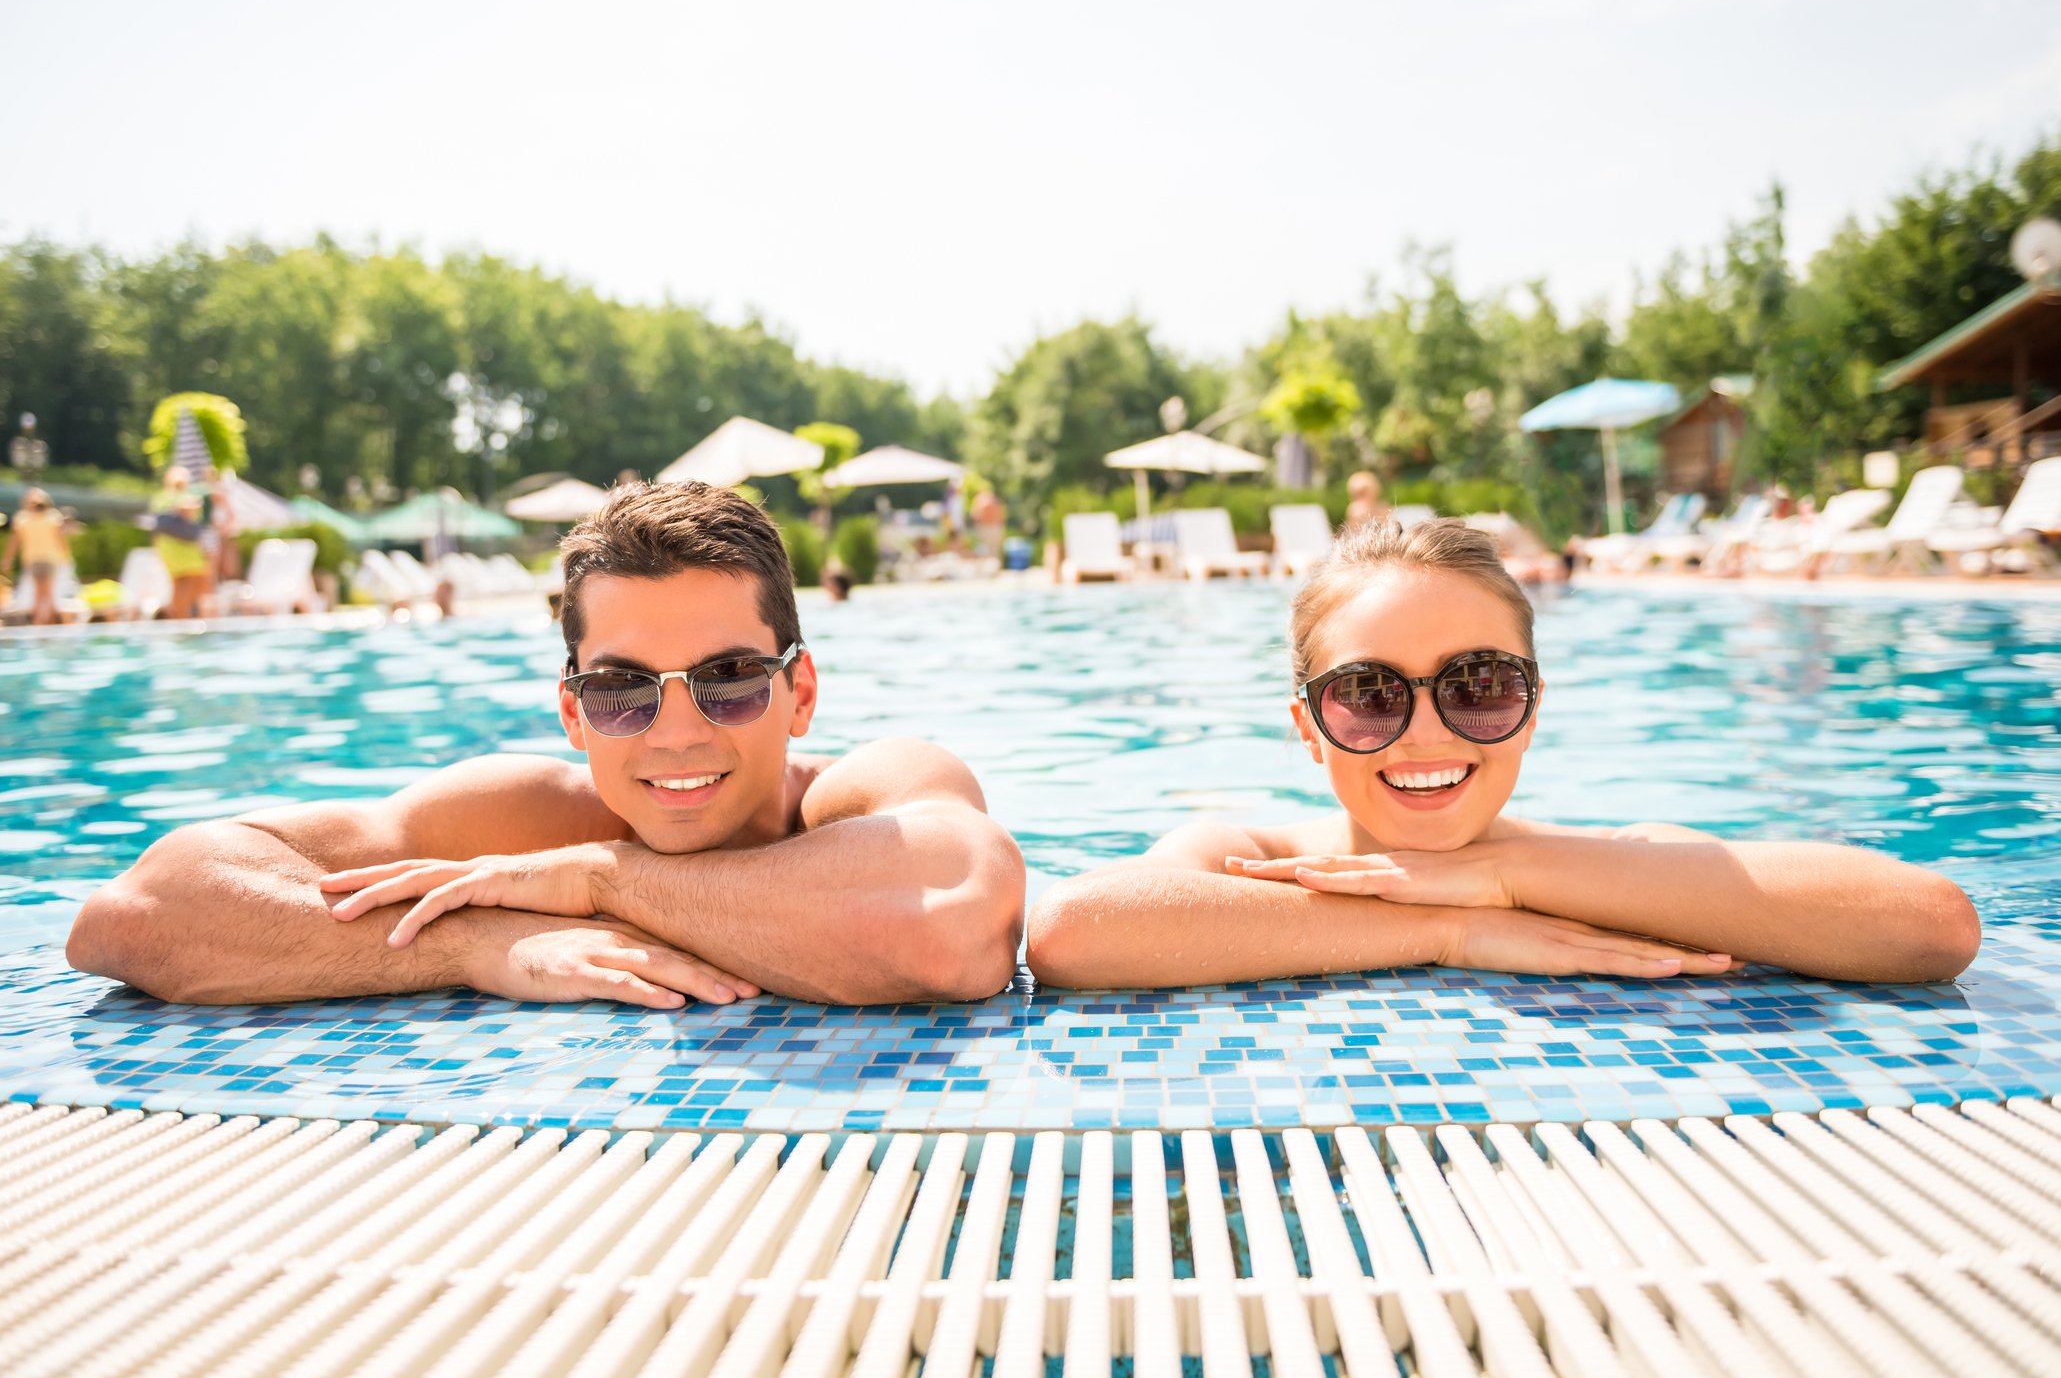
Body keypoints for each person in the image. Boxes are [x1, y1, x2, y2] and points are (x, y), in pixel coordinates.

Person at [69, 480, 1025, 1008]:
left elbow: (955, 928)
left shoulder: (866, 790)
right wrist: (484, 943)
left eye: (729, 678)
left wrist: (605, 881)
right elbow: (137, 912)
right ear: (572, 714)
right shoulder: (529, 814)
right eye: (621, 692)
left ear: (799, 690)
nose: (676, 730)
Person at [1028, 517, 1979, 989]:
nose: (1428, 732)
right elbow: (1072, 933)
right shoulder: (1245, 860)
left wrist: (1509, 874)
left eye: (1476, 684)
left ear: (1529, 708)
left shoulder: (1594, 867)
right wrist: (1446, 930)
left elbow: (1929, 926)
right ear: (1307, 725)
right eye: (1368, 694)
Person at [1, 487, 76, 625]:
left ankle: (39, 623)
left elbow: (14, 542)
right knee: (47, 594)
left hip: (33, 560)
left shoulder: (23, 518)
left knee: (40, 594)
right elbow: (61, 539)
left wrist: (8, 559)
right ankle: (48, 623)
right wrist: (66, 556)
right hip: (49, 559)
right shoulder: (52, 516)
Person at [151, 466, 213, 618]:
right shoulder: (180, 497)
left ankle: (179, 616)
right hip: (184, 549)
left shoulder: (160, 498)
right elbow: (188, 511)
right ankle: (181, 617)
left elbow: (155, 526)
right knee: (191, 582)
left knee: (181, 584)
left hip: (167, 547)